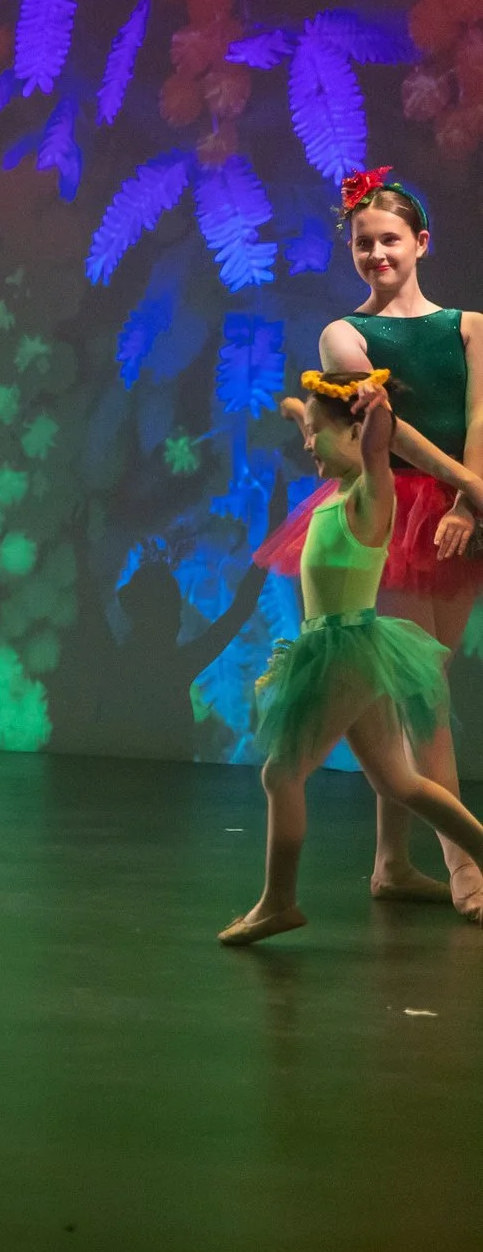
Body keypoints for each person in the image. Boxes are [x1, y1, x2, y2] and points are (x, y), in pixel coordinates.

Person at [257, 169, 483, 910]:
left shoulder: (470, 326)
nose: (377, 254)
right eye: (363, 244)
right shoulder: (345, 333)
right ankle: (467, 871)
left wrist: (472, 504)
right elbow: (388, 433)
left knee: (414, 685)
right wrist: (466, 487)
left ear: (422, 241)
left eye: (390, 240)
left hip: (460, 514)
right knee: (424, 699)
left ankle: (391, 863)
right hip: (397, 512)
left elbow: (480, 416)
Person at [225, 374, 483, 945]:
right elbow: (330, 434)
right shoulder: (334, 494)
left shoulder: (370, 491)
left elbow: (371, 445)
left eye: (318, 433)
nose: (308, 444)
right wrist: (300, 411)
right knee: (399, 781)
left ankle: (279, 902)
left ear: (360, 433)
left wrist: (377, 411)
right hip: (336, 649)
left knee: (281, 773)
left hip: (346, 651)